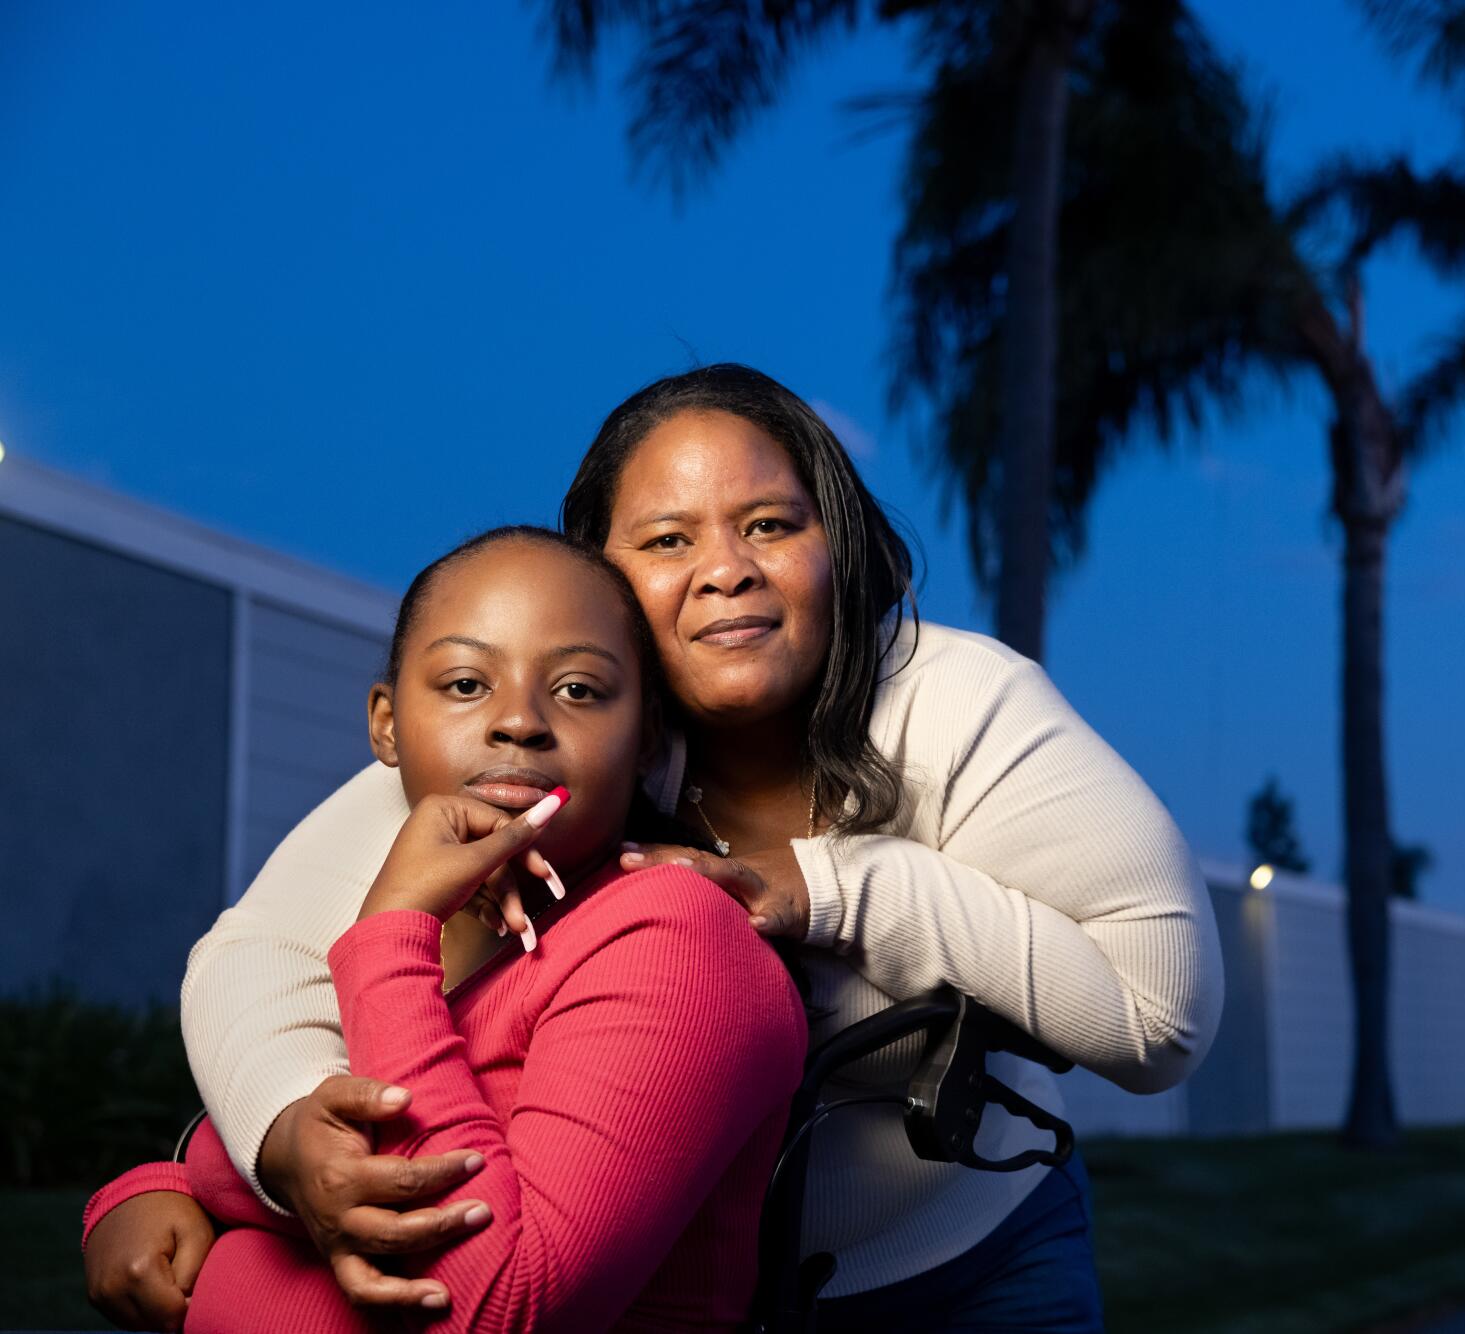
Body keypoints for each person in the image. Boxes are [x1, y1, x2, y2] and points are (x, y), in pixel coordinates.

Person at [87, 365, 1224, 1333]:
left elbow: (1160, 1013)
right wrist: (280, 1145)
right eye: (666, 538)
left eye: (769, 524)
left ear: (840, 543)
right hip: (700, 1293)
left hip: (965, 1266)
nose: (725, 567)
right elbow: (259, 958)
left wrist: (834, 887)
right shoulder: (557, 727)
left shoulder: (959, 705)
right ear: (600, 581)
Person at [82, 527, 806, 1332]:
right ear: (386, 726)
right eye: (466, 683)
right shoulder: (448, 942)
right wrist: (161, 1188)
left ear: (647, 742)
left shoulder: (677, 938)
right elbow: (320, 1158)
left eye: (578, 690)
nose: (519, 723)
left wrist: (391, 929)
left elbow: (491, 1306)